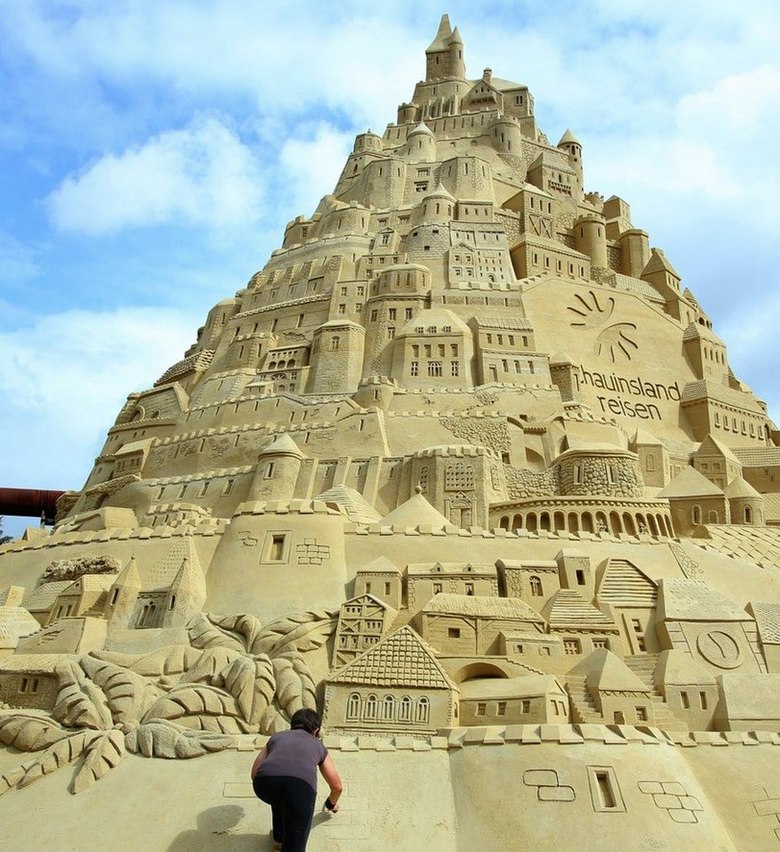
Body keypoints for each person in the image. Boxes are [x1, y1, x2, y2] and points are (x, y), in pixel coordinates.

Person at [251, 708, 343, 852]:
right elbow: (337, 786)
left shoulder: (277, 737)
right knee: (293, 804)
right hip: (299, 789)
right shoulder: (318, 745)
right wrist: (331, 804)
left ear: (292, 725)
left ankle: (279, 839)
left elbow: (255, 772)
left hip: (264, 784)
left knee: (281, 795)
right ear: (315, 731)